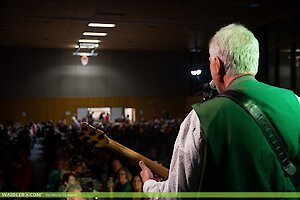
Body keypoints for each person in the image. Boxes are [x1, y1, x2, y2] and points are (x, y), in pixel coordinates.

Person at [139, 23, 300, 195]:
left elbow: (177, 195)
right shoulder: (296, 102)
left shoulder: (201, 118)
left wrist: (149, 185)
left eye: (209, 61)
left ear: (217, 64)